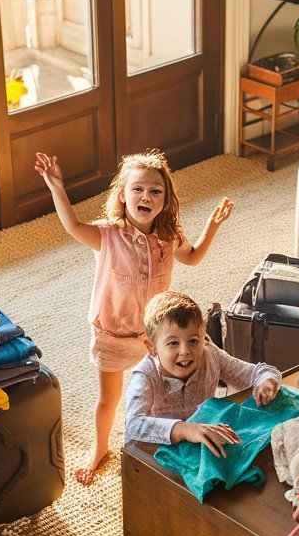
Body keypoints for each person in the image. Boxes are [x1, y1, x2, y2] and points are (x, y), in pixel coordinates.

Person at [34, 148, 233, 484]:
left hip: (155, 337)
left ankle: (168, 435)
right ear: (122, 195)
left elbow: (194, 257)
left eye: (156, 191)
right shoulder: (108, 234)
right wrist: (56, 187)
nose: (146, 196)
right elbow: (72, 225)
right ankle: (99, 448)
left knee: (159, 395)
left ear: (166, 199)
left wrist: (212, 226)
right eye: (138, 189)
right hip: (112, 333)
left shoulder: (169, 237)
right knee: (108, 401)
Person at [124, 291, 281, 454]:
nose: (185, 351)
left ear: (203, 337)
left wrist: (267, 380)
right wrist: (183, 430)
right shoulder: (145, 375)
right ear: (152, 348)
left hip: (205, 442)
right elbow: (133, 426)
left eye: (193, 341)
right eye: (173, 343)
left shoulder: (210, 355)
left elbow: (258, 372)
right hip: (158, 451)